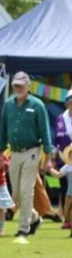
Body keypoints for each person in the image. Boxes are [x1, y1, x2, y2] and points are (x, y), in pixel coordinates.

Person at [0, 72, 54, 238]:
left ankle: (24, 228)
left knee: (26, 190)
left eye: (21, 86)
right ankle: (35, 217)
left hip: (32, 151)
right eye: (15, 85)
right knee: (15, 194)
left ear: (28, 86)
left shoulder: (38, 105)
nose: (17, 88)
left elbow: (45, 132)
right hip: (14, 152)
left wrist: (48, 157)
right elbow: (2, 131)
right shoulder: (8, 105)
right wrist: (1, 153)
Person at [53, 93, 72, 228]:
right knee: (65, 189)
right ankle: (67, 218)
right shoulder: (60, 119)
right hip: (62, 158)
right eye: (70, 103)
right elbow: (56, 139)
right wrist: (53, 156)